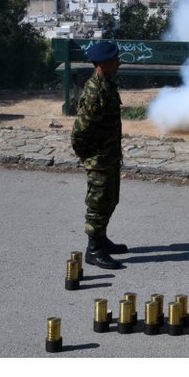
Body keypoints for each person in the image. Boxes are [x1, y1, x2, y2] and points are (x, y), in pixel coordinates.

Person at [70, 40, 128, 270]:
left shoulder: (107, 85)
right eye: (115, 60)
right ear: (103, 64)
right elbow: (80, 130)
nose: (119, 63)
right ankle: (93, 250)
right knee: (98, 203)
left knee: (110, 199)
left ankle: (101, 240)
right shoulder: (96, 91)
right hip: (99, 158)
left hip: (109, 155)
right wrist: (86, 155)